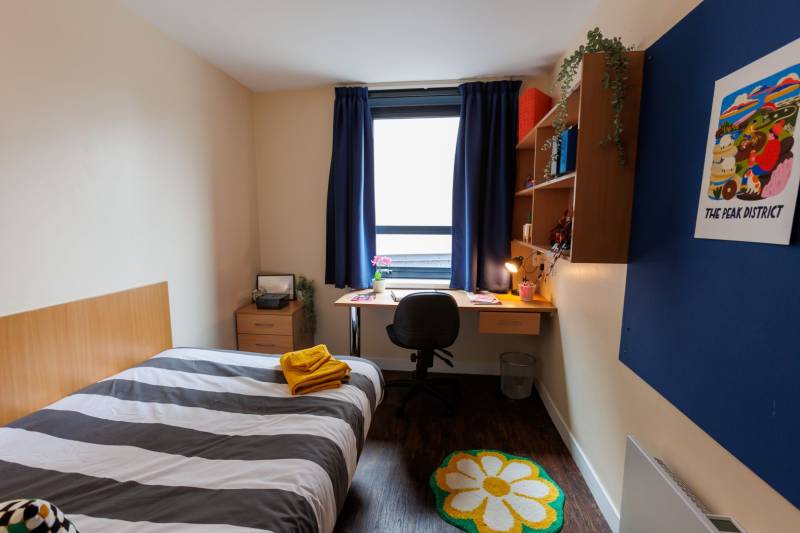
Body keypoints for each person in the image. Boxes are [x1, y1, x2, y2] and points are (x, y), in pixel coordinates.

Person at [742, 120, 784, 194]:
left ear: (773, 135)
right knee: (752, 169)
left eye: (769, 133)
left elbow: (765, 157)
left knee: (748, 172)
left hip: (765, 166)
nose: (767, 134)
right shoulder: (775, 143)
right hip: (767, 165)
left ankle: (743, 187)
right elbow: (765, 156)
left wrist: (754, 158)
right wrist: (756, 157)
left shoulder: (772, 145)